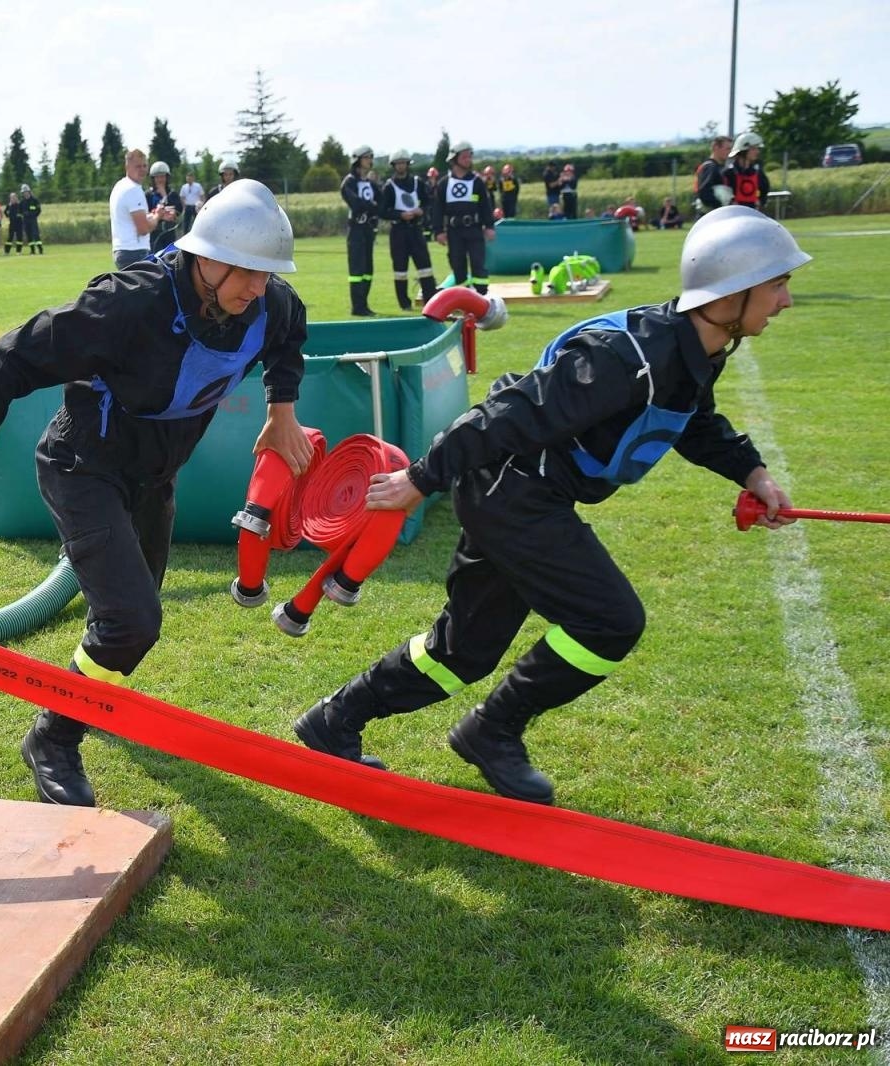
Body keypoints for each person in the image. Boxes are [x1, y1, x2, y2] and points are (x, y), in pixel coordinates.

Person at [293, 206, 809, 806]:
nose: (785, 301)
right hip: (514, 492)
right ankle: (493, 730)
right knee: (610, 621)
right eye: (777, 285)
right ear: (733, 292)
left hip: (516, 492)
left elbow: (691, 420)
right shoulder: (626, 356)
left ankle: (334, 720)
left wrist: (752, 472)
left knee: (463, 650)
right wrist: (422, 477)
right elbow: (511, 411)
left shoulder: (696, 349)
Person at [0, 179, 314, 808]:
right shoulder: (128, 304)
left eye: (266, 273)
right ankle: (52, 738)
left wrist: (282, 413)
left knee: (129, 619)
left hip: (153, 478)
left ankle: (86, 695)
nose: (257, 287)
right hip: (83, 466)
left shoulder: (269, 303)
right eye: (246, 271)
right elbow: (12, 356)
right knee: (133, 621)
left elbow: (290, 335)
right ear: (206, 257)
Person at [433, 141, 497, 296]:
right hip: (454, 231)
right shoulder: (444, 184)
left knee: (478, 264)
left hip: (474, 229)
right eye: (464, 157)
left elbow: (485, 206)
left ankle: (482, 297)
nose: (468, 160)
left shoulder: (477, 182)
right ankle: (463, 298)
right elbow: (437, 209)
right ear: (454, 159)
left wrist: (489, 226)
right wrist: (438, 231)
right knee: (457, 265)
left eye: (470, 156)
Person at [379, 149, 437, 311]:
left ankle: (430, 300)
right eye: (398, 164)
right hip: (398, 231)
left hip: (416, 230)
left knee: (425, 267)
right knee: (400, 269)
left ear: (408, 164)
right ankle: (404, 303)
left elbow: (429, 202)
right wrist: (400, 215)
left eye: (403, 163)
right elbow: (382, 211)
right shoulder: (389, 187)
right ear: (393, 166)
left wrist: (422, 211)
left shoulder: (418, 183)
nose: (401, 166)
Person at [109, 149, 171, 271]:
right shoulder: (133, 190)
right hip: (134, 252)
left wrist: (154, 215)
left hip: (123, 250)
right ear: (127, 167)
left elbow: (132, 219)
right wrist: (157, 216)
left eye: (144, 166)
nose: (142, 170)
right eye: (138, 166)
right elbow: (143, 229)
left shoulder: (121, 185)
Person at [338, 146, 382, 316]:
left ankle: (364, 304)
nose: (370, 160)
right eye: (366, 157)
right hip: (356, 229)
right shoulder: (349, 182)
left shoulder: (371, 184)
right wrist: (371, 206)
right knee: (357, 270)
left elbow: (382, 204)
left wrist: (372, 207)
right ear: (357, 160)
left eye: (371, 157)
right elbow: (356, 204)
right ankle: (358, 306)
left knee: (368, 269)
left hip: (369, 229)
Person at [725, 132, 770, 211]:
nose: (757, 152)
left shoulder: (758, 172)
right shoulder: (728, 173)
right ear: (743, 150)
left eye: (757, 148)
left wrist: (760, 202)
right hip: (733, 214)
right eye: (753, 149)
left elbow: (765, 191)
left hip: (752, 213)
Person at [694, 134, 734, 215]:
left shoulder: (718, 167)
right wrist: (720, 207)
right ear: (716, 148)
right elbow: (704, 192)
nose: (730, 152)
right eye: (727, 149)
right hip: (710, 216)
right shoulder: (710, 167)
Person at [146, 161, 182, 252]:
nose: (160, 180)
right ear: (153, 178)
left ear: (167, 177)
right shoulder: (149, 195)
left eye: (162, 176)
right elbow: (145, 213)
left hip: (169, 233)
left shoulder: (172, 194)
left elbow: (178, 210)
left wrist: (164, 195)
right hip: (154, 233)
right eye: (157, 177)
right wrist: (158, 214)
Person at [20, 183, 44, 255]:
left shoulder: (34, 200)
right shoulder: (22, 202)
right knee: (29, 235)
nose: (25, 193)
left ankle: (40, 249)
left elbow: (38, 210)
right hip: (25, 221)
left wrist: (33, 215)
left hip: (33, 220)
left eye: (26, 192)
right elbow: (20, 211)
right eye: (24, 192)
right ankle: (32, 250)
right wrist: (24, 214)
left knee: (36, 235)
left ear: (29, 191)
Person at [5, 191, 25, 255]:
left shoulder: (20, 204)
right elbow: (5, 212)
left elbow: (23, 212)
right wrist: (8, 215)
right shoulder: (9, 205)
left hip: (19, 223)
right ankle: (6, 252)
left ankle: (18, 251)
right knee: (10, 237)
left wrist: (20, 215)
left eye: (14, 197)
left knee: (19, 238)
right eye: (11, 198)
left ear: (16, 198)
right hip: (12, 223)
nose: (13, 199)